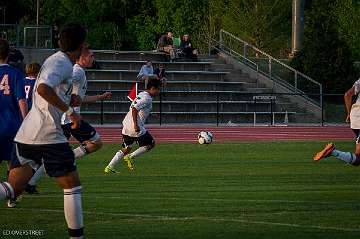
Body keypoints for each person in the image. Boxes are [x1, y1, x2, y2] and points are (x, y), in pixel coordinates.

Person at [0, 23, 86, 239]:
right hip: (47, 134)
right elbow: (42, 89)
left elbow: (47, 90)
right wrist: (70, 110)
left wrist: (68, 98)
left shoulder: (57, 60)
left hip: (26, 135)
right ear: (82, 45)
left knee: (13, 188)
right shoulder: (63, 62)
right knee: (72, 185)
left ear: (60, 42)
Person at [23, 46, 112, 195]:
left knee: (53, 155)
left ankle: (30, 182)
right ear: (81, 57)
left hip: (66, 119)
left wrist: (100, 97)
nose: (92, 58)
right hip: (70, 119)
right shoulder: (77, 71)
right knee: (96, 143)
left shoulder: (78, 71)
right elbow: (61, 85)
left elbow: (80, 98)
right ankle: (68, 157)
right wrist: (66, 103)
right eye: (90, 56)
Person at [104, 78, 161, 174]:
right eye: (158, 89)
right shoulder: (146, 98)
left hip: (126, 124)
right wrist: (136, 125)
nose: (159, 91)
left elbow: (139, 109)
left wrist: (151, 114)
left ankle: (109, 167)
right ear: (152, 88)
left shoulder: (142, 94)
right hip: (134, 126)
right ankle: (130, 157)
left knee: (127, 148)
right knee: (150, 144)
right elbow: (134, 109)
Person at [314, 79, 360, 166]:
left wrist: (349, 114)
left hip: (355, 117)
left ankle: (333, 152)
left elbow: (347, 95)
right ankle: (332, 152)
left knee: (358, 159)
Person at [0, 39, 28, 175]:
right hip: (11, 125)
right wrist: (26, 121)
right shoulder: (16, 74)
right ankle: (12, 194)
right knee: (13, 163)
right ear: (8, 55)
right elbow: (21, 100)